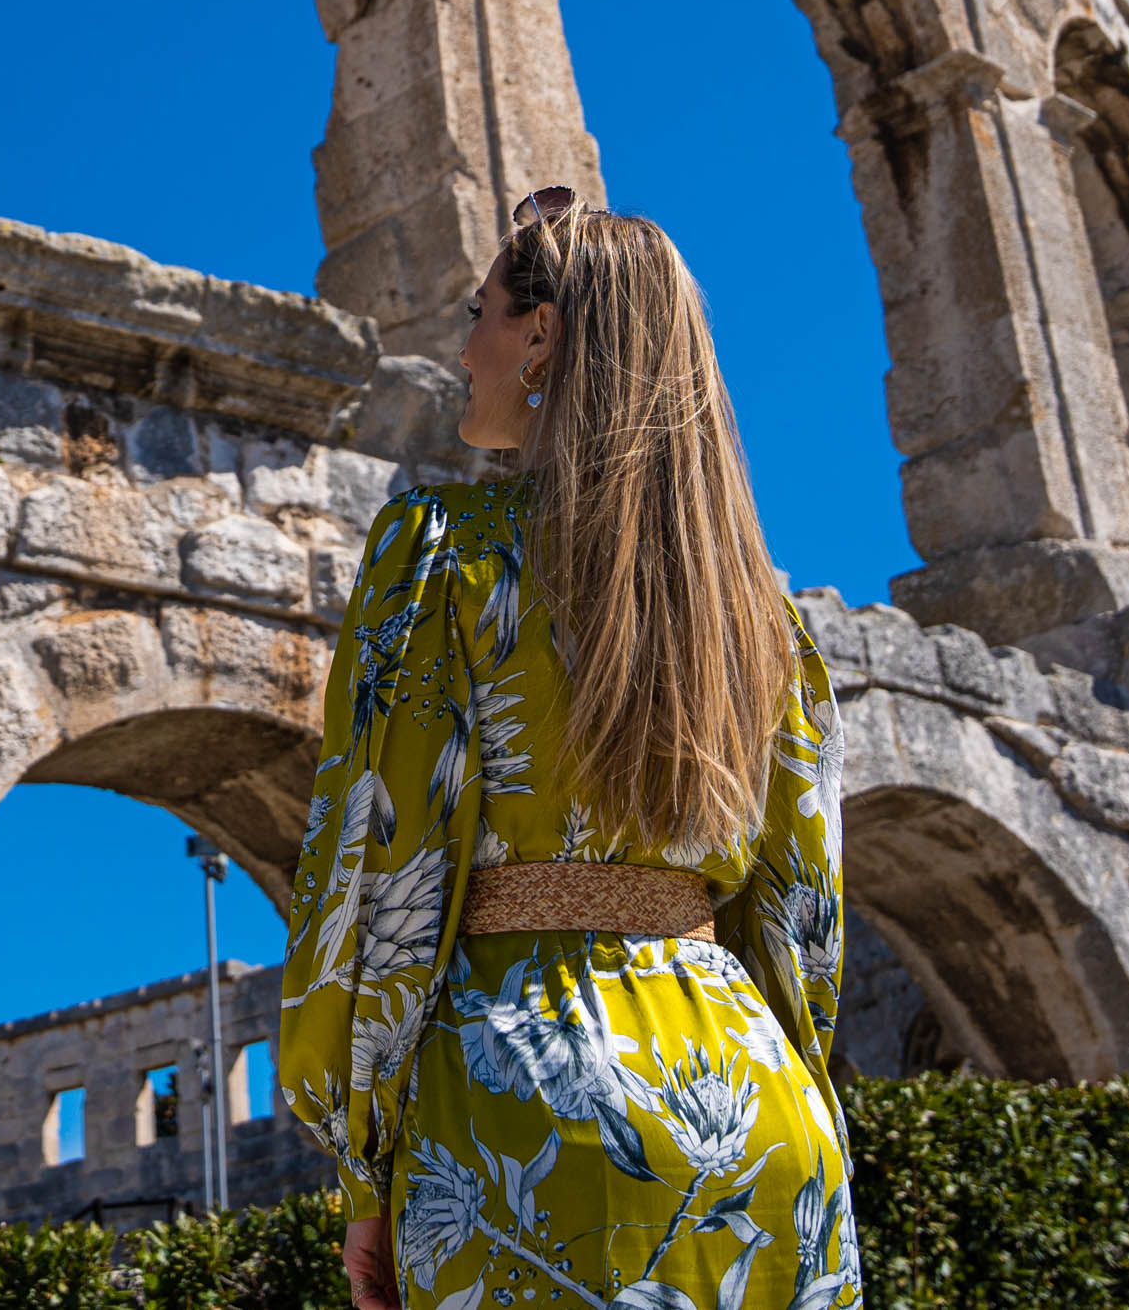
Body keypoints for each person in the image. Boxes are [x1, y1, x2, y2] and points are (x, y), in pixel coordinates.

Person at [277, 189, 855, 1310]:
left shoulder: (439, 555)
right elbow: (802, 919)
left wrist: (364, 1168)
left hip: (527, 1107)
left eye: (480, 314)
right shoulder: (763, 619)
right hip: (759, 1112)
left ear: (541, 332)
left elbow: (381, 873)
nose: (464, 349)